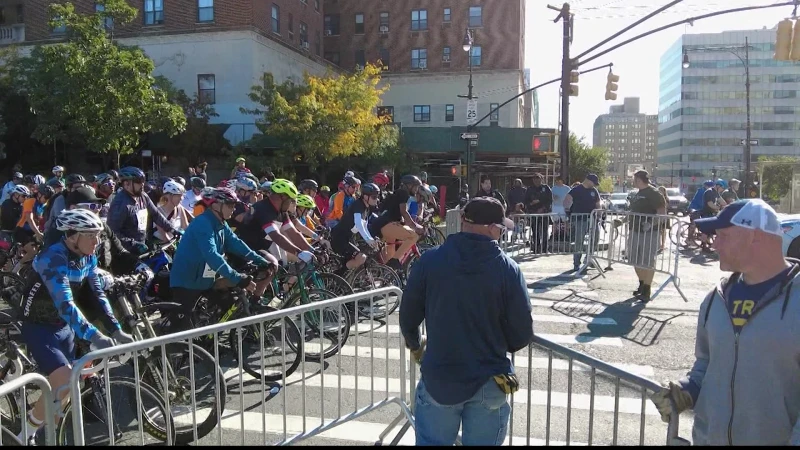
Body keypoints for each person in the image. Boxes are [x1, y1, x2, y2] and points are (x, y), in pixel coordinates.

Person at [649, 199, 800, 446]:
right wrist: (687, 390)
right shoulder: (715, 299)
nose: (714, 244)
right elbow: (706, 363)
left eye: (723, 235)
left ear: (754, 236)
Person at [399, 197, 533, 446]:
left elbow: (408, 316)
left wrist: (416, 346)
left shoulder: (430, 261)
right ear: (492, 228)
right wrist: (499, 344)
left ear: (462, 221)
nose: (501, 234)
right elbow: (522, 331)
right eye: (501, 229)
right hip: (489, 376)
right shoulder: (508, 269)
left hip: (440, 375)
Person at [17, 209, 133, 444]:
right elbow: (66, 304)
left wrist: (115, 328)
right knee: (63, 378)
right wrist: (94, 335)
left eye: (98, 235)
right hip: (37, 324)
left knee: (69, 388)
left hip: (62, 326)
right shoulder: (52, 257)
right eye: (91, 235)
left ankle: (51, 438)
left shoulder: (88, 256)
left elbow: (98, 294)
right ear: (72, 236)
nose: (97, 241)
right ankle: (24, 434)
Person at [169, 187, 272, 331]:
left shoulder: (221, 223)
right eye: (230, 204)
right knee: (183, 334)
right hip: (188, 280)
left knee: (228, 305)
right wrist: (237, 277)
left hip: (205, 278)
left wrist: (260, 260)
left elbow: (237, 244)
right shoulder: (203, 223)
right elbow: (212, 255)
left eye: (234, 205)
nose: (233, 208)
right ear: (216, 205)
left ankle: (211, 341)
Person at [234, 179, 315, 295]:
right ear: (282, 197)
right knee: (272, 264)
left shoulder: (281, 212)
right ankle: (255, 301)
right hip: (244, 249)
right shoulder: (263, 209)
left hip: (259, 248)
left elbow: (294, 232)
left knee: (275, 265)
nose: (292, 204)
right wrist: (299, 252)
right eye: (291, 200)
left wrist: (311, 250)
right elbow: (276, 236)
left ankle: (256, 297)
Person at [107, 167, 181, 254]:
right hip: (125, 253)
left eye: (143, 181)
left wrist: (171, 229)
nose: (142, 184)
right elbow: (112, 232)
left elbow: (155, 214)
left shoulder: (143, 196)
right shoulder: (120, 204)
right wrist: (133, 244)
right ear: (127, 184)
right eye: (138, 181)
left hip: (143, 246)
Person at [368, 175, 423, 271]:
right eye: (416, 187)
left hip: (381, 226)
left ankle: (386, 275)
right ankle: (395, 261)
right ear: (409, 185)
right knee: (413, 236)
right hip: (386, 225)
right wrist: (415, 227)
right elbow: (404, 212)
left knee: (389, 257)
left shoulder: (396, 193)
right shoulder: (403, 194)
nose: (417, 190)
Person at [626, 172, 667, 302]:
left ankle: (647, 289)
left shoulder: (654, 193)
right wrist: (622, 220)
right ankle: (642, 283)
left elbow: (662, 213)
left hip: (649, 232)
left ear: (639, 179)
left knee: (647, 260)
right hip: (635, 230)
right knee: (634, 259)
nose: (633, 181)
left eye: (634, 179)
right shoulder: (637, 193)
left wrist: (651, 223)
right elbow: (633, 211)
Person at [563, 174, 602, 273]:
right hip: (580, 219)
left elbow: (598, 203)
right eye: (593, 183)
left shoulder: (594, 191)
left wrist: (599, 211)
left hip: (593, 219)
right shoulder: (577, 189)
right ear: (588, 180)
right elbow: (567, 200)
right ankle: (576, 263)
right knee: (579, 241)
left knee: (595, 238)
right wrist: (567, 210)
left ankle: (588, 259)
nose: (594, 185)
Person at [525, 173, 553, 254]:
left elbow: (550, 200)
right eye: (535, 179)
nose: (536, 181)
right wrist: (531, 204)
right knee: (535, 231)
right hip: (534, 213)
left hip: (544, 213)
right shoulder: (530, 189)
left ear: (541, 180)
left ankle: (544, 248)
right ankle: (536, 247)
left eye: (538, 179)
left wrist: (543, 208)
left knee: (545, 231)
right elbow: (526, 201)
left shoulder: (546, 188)